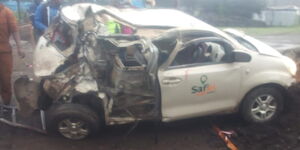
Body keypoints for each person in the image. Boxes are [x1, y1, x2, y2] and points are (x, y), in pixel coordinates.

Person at [0, 3, 25, 107]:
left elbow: (15, 30)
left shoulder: (7, 12)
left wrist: (19, 47)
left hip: (3, 53)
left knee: (5, 80)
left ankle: (6, 104)